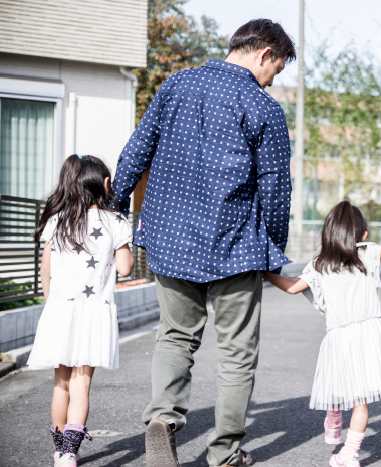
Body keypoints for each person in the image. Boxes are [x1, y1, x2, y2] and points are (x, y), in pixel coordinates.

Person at [111, 19, 296, 467]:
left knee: (174, 337)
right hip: (235, 245)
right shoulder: (263, 108)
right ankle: (225, 452)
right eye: (277, 70)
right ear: (264, 54)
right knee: (236, 353)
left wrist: (116, 207)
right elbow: (275, 189)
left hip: (169, 239)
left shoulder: (176, 85)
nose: (273, 80)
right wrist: (273, 249)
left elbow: (136, 150)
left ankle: (162, 421)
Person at [263, 201, 381, 467]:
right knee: (360, 400)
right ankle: (350, 454)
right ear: (363, 234)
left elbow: (294, 287)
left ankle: (334, 416)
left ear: (328, 234)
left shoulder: (320, 264)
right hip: (372, 332)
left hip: (340, 335)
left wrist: (265, 274)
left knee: (338, 380)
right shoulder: (368, 253)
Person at [28, 154, 134, 467]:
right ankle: (70, 454)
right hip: (93, 314)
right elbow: (126, 268)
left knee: (60, 383)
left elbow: (45, 270)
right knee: (81, 384)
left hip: (60, 311)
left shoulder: (56, 219)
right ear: (104, 184)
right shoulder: (115, 222)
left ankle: (59, 449)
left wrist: (53, 303)